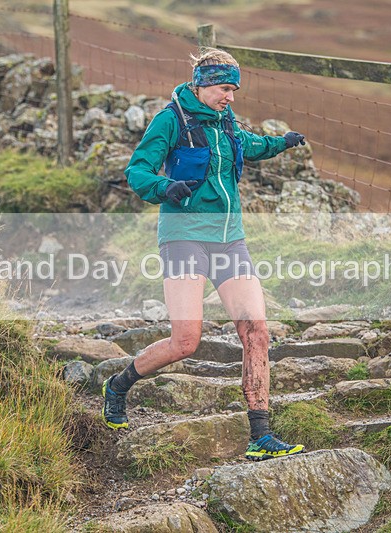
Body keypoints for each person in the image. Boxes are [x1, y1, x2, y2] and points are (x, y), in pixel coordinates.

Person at [103, 47, 307, 461]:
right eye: (222, 88)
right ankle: (118, 386)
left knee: (257, 332)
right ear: (200, 84)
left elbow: (248, 145)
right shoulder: (171, 120)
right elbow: (137, 170)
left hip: (230, 239)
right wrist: (164, 188)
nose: (230, 96)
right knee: (186, 341)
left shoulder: (226, 122)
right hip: (183, 237)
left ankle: (261, 436)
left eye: (234, 88)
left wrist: (280, 143)